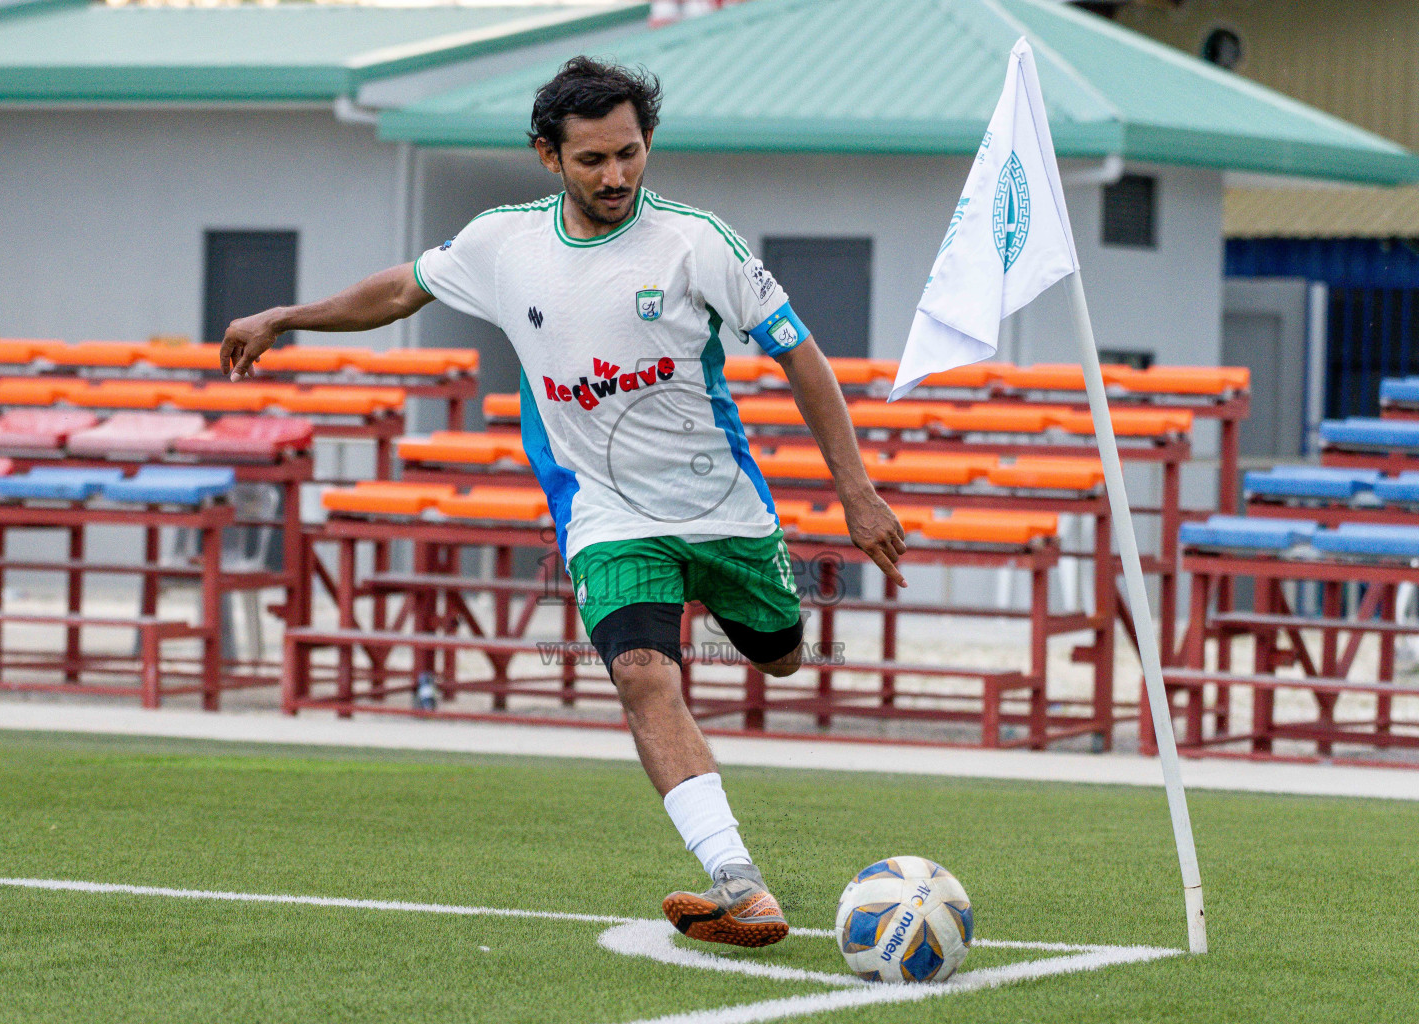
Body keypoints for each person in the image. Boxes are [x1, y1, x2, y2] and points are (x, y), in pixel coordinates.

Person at [221, 57, 906, 948]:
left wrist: (856, 492)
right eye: (592, 160)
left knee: (781, 658)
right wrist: (286, 316)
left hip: (724, 510)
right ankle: (738, 882)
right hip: (607, 515)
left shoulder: (699, 243)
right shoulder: (503, 244)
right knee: (641, 676)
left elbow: (801, 355)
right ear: (549, 157)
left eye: (630, 153)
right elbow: (398, 290)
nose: (616, 176)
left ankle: (748, 631)